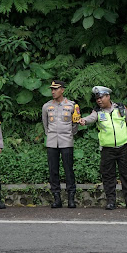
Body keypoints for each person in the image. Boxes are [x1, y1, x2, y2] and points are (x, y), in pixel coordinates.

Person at [79, 86, 127, 210]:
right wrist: (84, 120)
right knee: (108, 176)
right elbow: (91, 118)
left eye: (101, 98)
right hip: (107, 149)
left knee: (126, 175)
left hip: (122, 147)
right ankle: (111, 201)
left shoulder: (121, 108)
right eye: (97, 98)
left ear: (108, 96)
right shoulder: (97, 111)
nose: (99, 100)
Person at [41, 80, 81, 208]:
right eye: (52, 89)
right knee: (53, 170)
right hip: (52, 141)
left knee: (68, 170)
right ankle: (56, 198)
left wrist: (69, 134)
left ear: (62, 90)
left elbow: (75, 125)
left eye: (56, 89)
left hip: (66, 141)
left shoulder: (72, 105)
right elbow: (45, 125)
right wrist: (50, 135)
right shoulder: (46, 106)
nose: (53, 91)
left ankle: (71, 198)